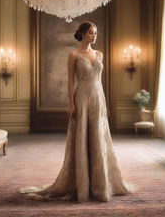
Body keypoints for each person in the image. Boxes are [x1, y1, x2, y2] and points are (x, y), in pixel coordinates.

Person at [20, 21, 129, 202]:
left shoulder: (100, 54)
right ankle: (82, 185)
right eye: (91, 32)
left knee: (99, 139)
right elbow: (70, 82)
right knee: (82, 138)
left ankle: (100, 184)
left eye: (96, 32)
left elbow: (100, 82)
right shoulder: (73, 55)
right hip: (82, 99)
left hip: (97, 98)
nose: (94, 35)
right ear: (83, 34)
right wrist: (70, 104)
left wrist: (105, 104)